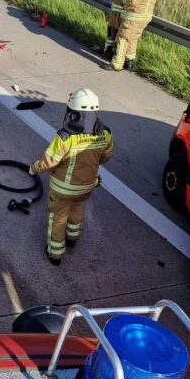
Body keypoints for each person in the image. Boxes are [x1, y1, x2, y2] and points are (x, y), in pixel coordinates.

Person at [29, 88, 113, 265]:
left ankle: (55, 254)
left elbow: (49, 162)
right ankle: (72, 239)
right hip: (87, 187)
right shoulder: (104, 133)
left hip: (63, 189)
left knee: (57, 218)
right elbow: (106, 157)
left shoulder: (66, 137)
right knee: (77, 208)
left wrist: (34, 168)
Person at [107, 0, 162, 72]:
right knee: (133, 39)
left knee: (123, 38)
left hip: (133, 17)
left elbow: (133, 1)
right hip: (145, 17)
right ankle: (129, 61)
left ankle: (117, 64)